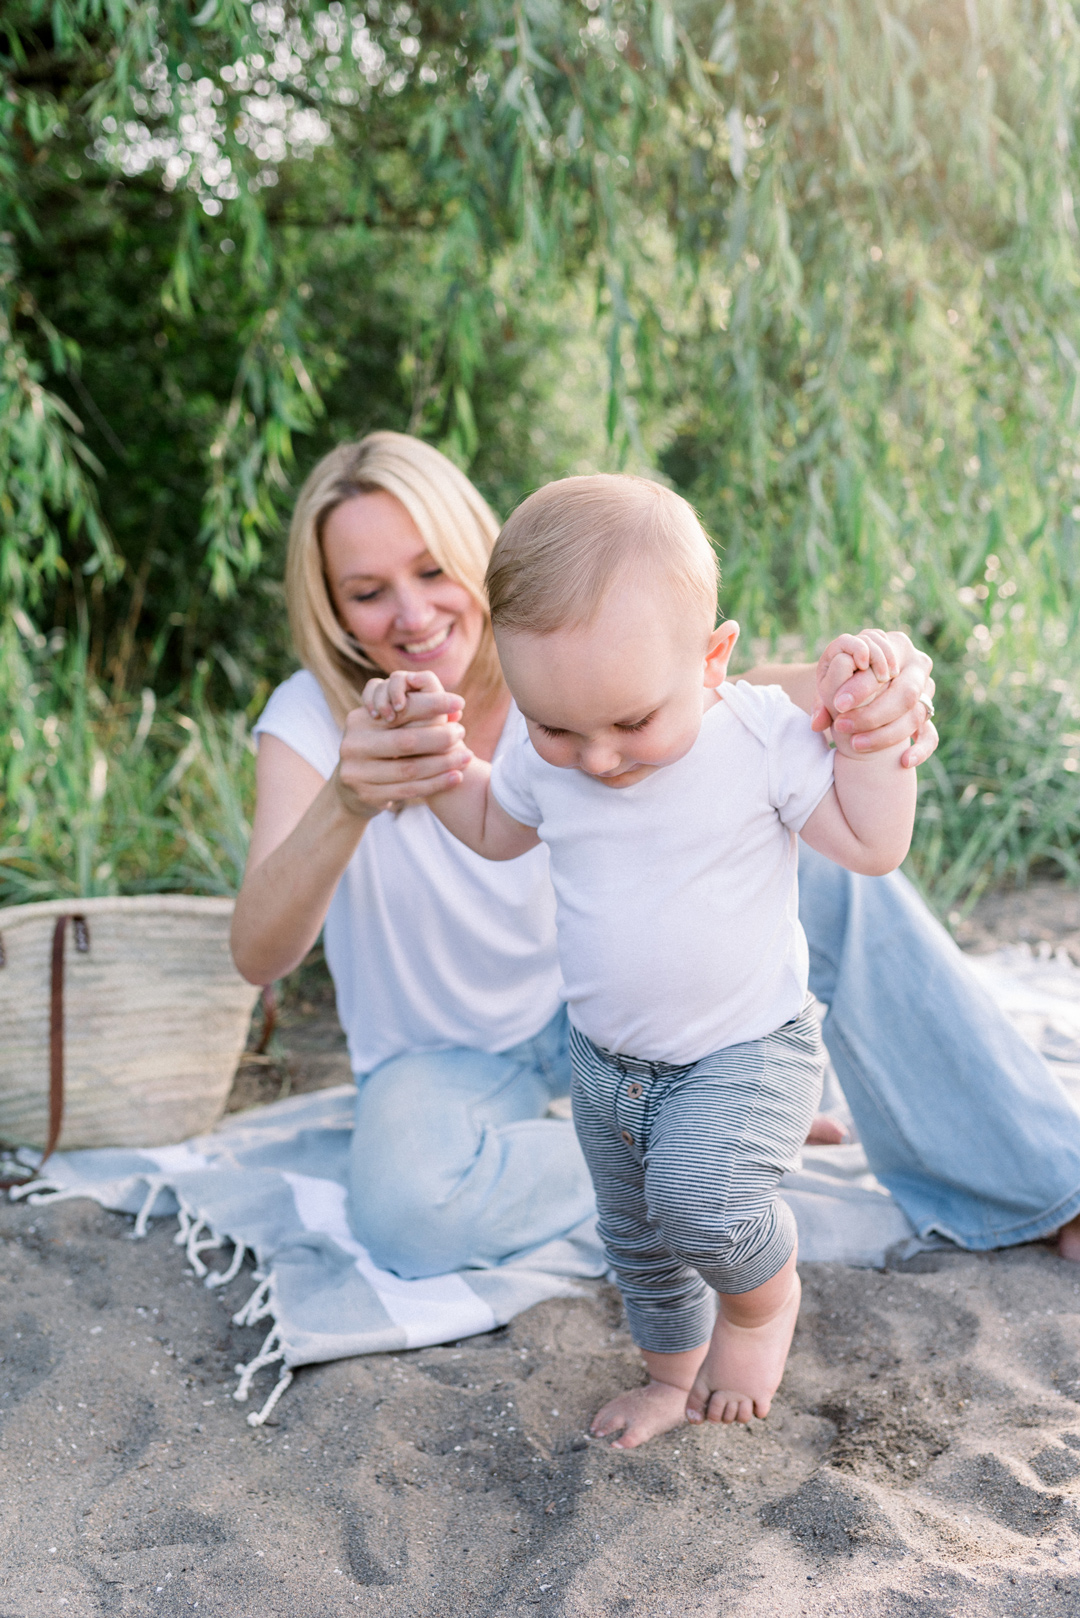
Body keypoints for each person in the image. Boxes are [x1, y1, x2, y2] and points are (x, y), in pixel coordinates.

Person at [230, 431, 1080, 1301]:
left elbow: (755, 701)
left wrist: (875, 697)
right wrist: (348, 797)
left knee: (800, 844)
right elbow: (259, 956)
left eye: (434, 571)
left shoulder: (578, 657)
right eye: (367, 593)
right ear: (330, 608)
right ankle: (708, 1152)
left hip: (619, 1012)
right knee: (411, 1213)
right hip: (445, 1058)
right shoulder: (314, 718)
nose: (411, 615)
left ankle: (1041, 1181)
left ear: (484, 564)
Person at [369, 473, 917, 1447]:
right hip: (604, 1061)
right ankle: (669, 1377)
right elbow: (499, 824)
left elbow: (871, 847)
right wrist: (441, 760)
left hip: (743, 1049)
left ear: (713, 661)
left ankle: (762, 1300)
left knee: (701, 1206)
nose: (599, 759)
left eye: (631, 723)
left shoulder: (757, 739)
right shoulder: (556, 754)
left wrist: (874, 748)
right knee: (638, 1240)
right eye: (557, 727)